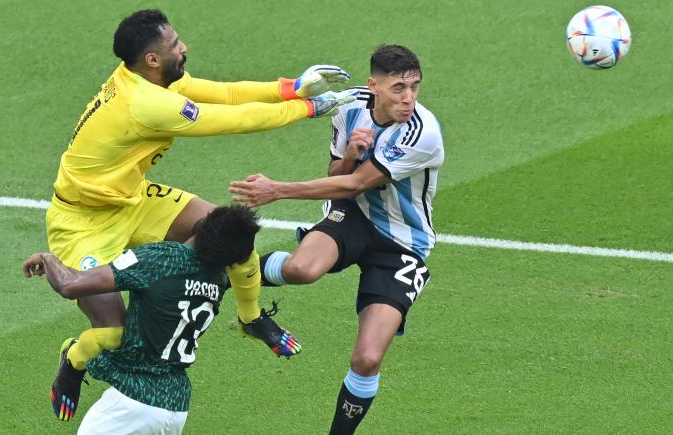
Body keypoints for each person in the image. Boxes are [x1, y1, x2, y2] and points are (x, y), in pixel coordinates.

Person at [45, 9, 356, 420]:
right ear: (152, 59)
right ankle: (74, 359)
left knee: (232, 235)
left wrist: (292, 87)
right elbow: (232, 119)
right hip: (82, 223)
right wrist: (309, 109)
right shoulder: (146, 103)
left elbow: (224, 93)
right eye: (174, 45)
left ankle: (251, 317)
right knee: (114, 335)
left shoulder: (150, 78)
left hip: (132, 200)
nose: (184, 47)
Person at [229, 44, 444, 434]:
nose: (409, 98)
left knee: (367, 358)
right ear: (373, 86)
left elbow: (360, 181)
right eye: (398, 87)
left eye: (415, 86)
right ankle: (238, 270)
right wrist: (350, 152)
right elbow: (339, 172)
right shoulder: (349, 107)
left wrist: (277, 189)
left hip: (403, 244)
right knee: (301, 269)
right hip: (354, 215)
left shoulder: (421, 132)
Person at [25, 205, 272, 433]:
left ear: (202, 224)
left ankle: (75, 359)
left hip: (133, 402)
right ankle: (75, 360)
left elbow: (70, 285)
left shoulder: (161, 258)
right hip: (176, 407)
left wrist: (49, 259)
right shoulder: (217, 279)